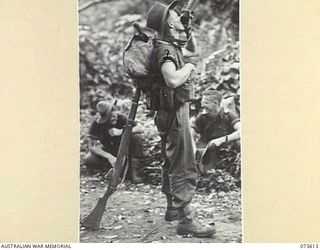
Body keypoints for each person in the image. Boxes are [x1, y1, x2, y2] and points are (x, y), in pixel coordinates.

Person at [146, 1, 216, 237]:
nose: (178, 16)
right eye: (174, 15)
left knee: (170, 159)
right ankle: (186, 219)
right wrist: (189, 68)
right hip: (174, 113)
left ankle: (171, 209)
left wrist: (187, 28)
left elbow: (192, 49)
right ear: (166, 22)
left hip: (169, 112)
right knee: (182, 163)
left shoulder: (167, 44)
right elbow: (173, 80)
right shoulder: (165, 50)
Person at [83, 100, 145, 184]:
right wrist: (108, 156)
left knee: (136, 136)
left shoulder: (121, 118)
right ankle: (110, 170)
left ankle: (134, 172)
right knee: (89, 159)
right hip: (110, 151)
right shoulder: (96, 125)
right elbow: (92, 146)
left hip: (126, 151)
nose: (114, 119)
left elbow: (140, 128)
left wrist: (121, 132)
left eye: (114, 116)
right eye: (110, 118)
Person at [191, 88, 240, 174]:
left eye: (206, 103)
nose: (202, 105)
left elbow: (242, 131)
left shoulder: (228, 115)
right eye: (202, 102)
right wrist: (194, 149)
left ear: (215, 103)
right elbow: (191, 134)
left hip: (225, 146)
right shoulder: (202, 117)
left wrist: (222, 140)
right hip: (206, 147)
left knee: (239, 143)